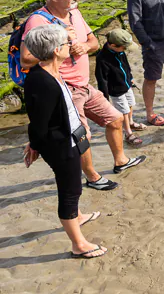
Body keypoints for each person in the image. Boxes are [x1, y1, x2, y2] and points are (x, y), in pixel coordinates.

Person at [21, 0, 145, 189]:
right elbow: (26, 58)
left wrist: (84, 47)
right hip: (65, 87)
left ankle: (120, 160)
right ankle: (93, 177)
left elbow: (94, 42)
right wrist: (62, 45)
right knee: (81, 135)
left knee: (115, 119)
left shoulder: (74, 13)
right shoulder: (38, 21)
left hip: (85, 85)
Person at [22, 24, 107, 258]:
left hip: (71, 135)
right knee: (70, 190)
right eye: (66, 43)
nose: (70, 46)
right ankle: (78, 245)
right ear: (55, 49)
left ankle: (78, 216)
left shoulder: (55, 72)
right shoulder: (41, 81)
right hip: (59, 144)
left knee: (74, 183)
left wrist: (81, 130)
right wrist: (35, 145)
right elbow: (39, 122)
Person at [95, 28, 147, 147]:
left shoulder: (120, 51)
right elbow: (102, 80)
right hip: (116, 90)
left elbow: (126, 65)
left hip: (126, 84)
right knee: (123, 110)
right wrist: (105, 98)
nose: (125, 50)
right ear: (113, 45)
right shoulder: (102, 59)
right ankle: (128, 132)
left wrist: (131, 77)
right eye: (124, 48)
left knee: (130, 104)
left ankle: (131, 122)